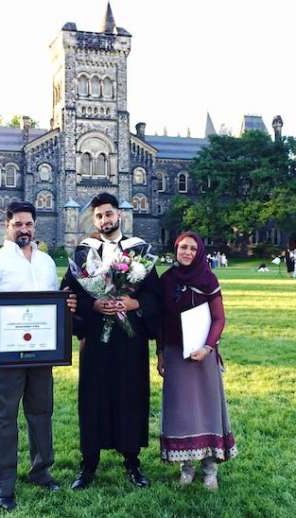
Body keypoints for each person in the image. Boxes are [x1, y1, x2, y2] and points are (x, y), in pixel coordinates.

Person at [0, 201, 77, 511]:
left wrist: (65, 309)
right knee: (3, 417)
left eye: (28, 224)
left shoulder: (44, 262)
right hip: (6, 356)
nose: (24, 229)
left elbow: (53, 305)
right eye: (18, 224)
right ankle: (3, 483)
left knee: (41, 411)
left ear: (35, 226)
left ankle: (41, 471)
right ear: (8, 225)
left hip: (41, 353)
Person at [62, 192, 161, 490]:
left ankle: (132, 461)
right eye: (99, 216)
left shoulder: (139, 250)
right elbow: (70, 292)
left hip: (130, 340)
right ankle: (88, 464)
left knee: (131, 395)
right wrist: (93, 307)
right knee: (93, 398)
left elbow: (154, 294)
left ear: (119, 215)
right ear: (94, 220)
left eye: (109, 214)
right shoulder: (83, 252)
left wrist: (134, 304)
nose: (105, 219)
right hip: (95, 339)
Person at [157, 231, 237, 491]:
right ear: (176, 248)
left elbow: (219, 318)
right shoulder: (167, 279)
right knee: (181, 411)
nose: (187, 252)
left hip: (203, 356)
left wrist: (207, 347)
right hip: (175, 354)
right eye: (183, 247)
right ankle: (187, 467)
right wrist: (160, 354)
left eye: (192, 248)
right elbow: (160, 321)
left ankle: (209, 469)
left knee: (207, 410)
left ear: (199, 251)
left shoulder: (207, 278)